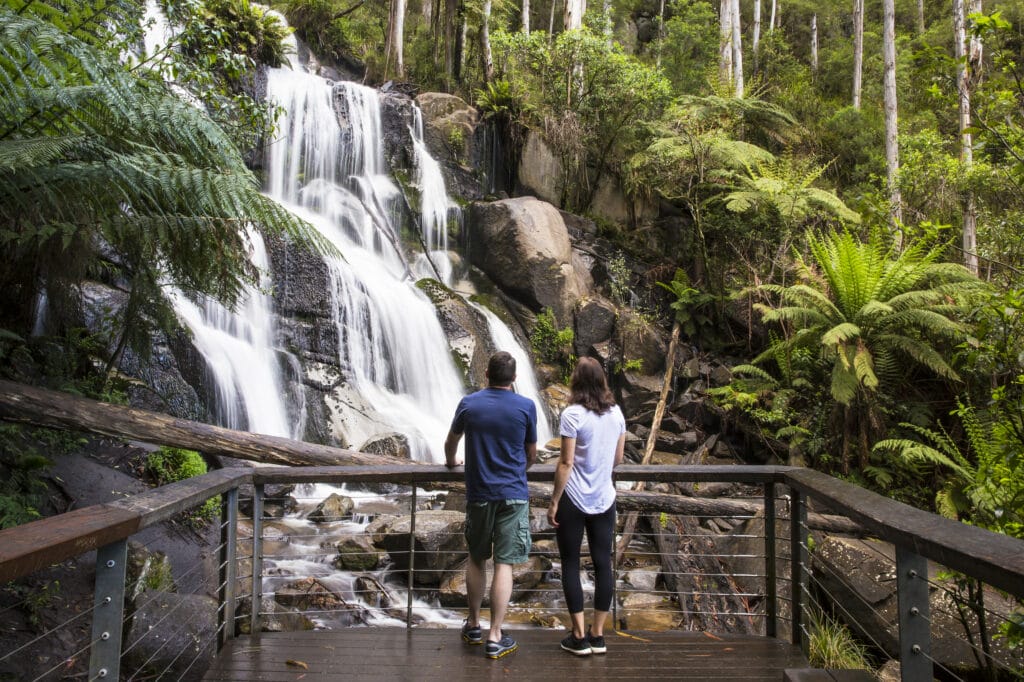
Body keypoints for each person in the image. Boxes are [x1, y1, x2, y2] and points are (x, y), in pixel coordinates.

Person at [444, 351, 538, 660]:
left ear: (486, 374)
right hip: (512, 494)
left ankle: (473, 624)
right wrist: (517, 470)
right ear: (514, 378)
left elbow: (451, 442)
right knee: (504, 564)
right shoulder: (526, 406)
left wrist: (451, 462)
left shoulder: (469, 404)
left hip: (480, 493)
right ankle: (495, 636)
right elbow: (531, 453)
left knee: (476, 557)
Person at [547, 356, 626, 656]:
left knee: (570, 562)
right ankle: (598, 634)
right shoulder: (617, 413)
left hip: (574, 498)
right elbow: (617, 459)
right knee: (603, 562)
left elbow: (566, 462)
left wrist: (554, 500)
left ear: (576, 381)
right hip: (604, 498)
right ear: (602, 380)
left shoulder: (572, 415)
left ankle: (578, 636)